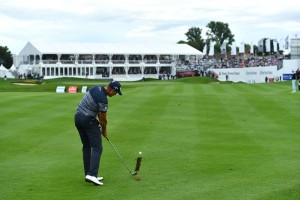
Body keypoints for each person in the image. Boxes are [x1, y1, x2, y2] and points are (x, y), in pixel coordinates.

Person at [74, 81, 122, 186]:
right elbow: (103, 119)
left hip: (77, 118)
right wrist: (104, 130)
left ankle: (88, 173)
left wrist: (98, 127)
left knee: (86, 146)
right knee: (97, 147)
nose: (114, 95)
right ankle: (92, 174)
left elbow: (97, 114)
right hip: (88, 120)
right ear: (112, 90)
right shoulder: (103, 99)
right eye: (115, 93)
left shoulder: (95, 88)